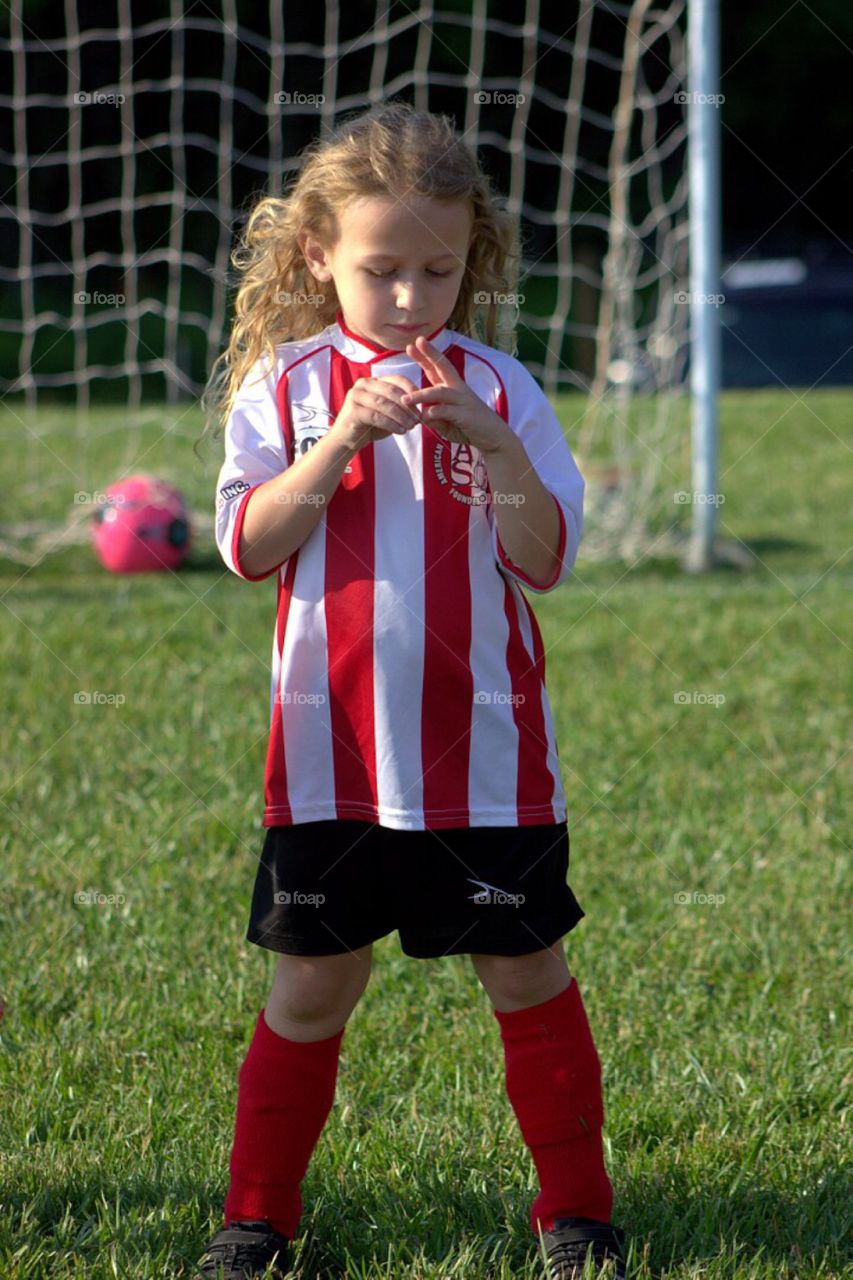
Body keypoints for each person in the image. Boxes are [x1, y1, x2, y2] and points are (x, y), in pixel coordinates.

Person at [195, 100, 627, 1280]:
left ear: (467, 261)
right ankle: (256, 1216)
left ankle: (577, 1213)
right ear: (316, 256)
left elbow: (543, 557)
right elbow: (247, 544)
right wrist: (335, 443)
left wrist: (496, 448)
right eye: (380, 270)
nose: (408, 298)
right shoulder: (284, 391)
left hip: (485, 755)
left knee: (527, 968)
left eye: (437, 270)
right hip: (330, 760)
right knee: (309, 987)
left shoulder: (501, 388)